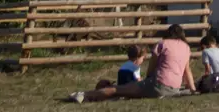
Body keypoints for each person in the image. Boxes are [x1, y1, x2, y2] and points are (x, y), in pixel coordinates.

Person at [68, 24, 196, 102]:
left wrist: (147, 80)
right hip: (174, 89)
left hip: (158, 85)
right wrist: (192, 89)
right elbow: (187, 71)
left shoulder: (163, 44)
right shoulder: (186, 47)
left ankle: (85, 95)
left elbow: (151, 67)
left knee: (118, 89)